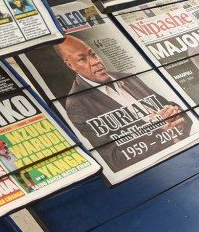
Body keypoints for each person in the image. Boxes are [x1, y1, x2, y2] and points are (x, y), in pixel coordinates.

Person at [55, 36, 191, 172]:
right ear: (70, 65)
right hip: (158, 169)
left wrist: (174, 117)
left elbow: (178, 111)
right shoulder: (77, 105)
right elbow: (114, 158)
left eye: (93, 54)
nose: (95, 62)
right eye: (83, 59)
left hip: (188, 150)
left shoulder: (128, 77)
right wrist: (158, 130)